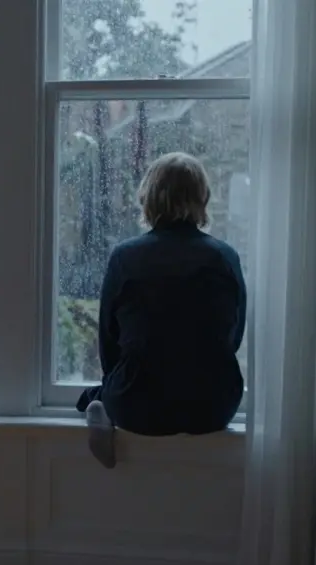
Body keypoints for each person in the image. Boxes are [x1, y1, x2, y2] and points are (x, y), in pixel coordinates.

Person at [77, 152, 247, 469]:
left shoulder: (125, 257)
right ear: (202, 198)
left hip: (138, 406)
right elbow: (233, 337)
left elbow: (109, 344)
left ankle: (98, 403)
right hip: (213, 405)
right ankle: (103, 400)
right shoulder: (224, 257)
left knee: (112, 386)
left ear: (148, 198)